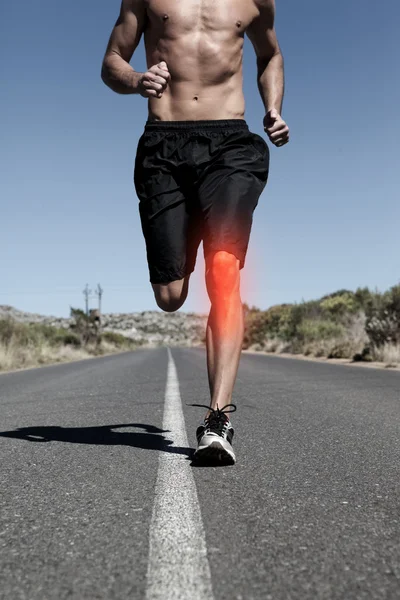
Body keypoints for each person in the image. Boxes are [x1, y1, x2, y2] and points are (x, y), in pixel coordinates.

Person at [101, 0, 289, 465]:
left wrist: (273, 108)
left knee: (224, 270)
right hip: (163, 145)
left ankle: (218, 419)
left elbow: (271, 55)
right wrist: (136, 81)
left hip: (232, 144)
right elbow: (111, 62)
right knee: (170, 295)